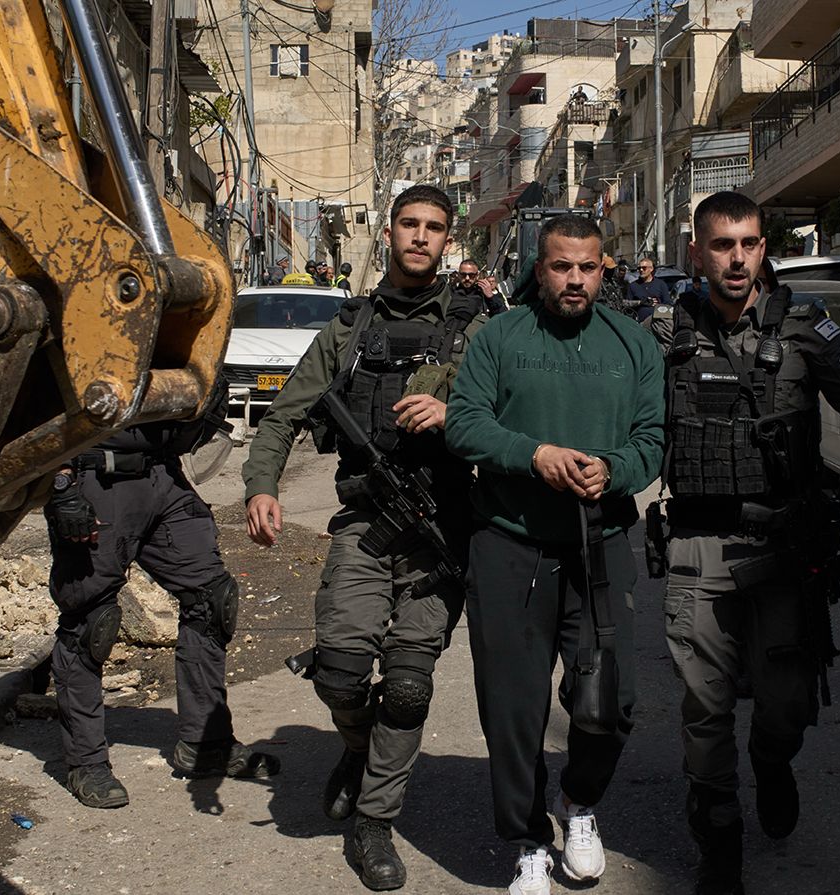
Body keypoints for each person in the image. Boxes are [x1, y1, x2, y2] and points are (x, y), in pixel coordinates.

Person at [652, 191, 840, 895]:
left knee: (787, 703)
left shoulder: (805, 329)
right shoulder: (665, 335)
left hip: (786, 546)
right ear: (697, 252)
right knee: (703, 709)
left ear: (765, 248)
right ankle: (720, 842)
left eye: (751, 243)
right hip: (698, 544)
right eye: (724, 244)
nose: (738, 258)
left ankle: (771, 759)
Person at [242, 184, 485, 891]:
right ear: (388, 232)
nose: (420, 237)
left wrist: (454, 410)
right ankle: (359, 745)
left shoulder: (476, 328)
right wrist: (261, 485)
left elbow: (506, 411)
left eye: (434, 227)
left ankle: (374, 821)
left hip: (441, 526)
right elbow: (284, 415)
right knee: (343, 669)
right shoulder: (348, 327)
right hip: (365, 524)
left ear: (448, 239)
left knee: (407, 687)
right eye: (409, 224)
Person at [445, 214, 665, 895]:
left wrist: (616, 469)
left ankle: (579, 801)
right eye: (561, 266)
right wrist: (532, 454)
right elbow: (465, 422)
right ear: (539, 270)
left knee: (613, 701)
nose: (575, 279)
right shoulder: (500, 337)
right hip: (509, 544)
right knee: (513, 707)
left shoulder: (634, 344)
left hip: (598, 548)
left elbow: (653, 437)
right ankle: (526, 839)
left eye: (588, 266)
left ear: (606, 270)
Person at [43, 419, 280, 809]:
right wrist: (59, 482)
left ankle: (206, 742)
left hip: (163, 473)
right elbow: (39, 403)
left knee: (211, 599)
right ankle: (85, 762)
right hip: (92, 477)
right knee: (90, 624)